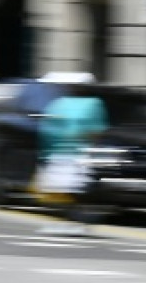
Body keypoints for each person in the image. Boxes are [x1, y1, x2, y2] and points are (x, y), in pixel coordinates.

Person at [36, 82, 107, 234]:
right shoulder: (94, 104)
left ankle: (71, 221)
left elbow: (46, 129)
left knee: (61, 190)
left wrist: (45, 153)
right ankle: (78, 221)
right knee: (76, 189)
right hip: (78, 153)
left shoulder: (58, 103)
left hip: (59, 152)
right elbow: (96, 132)